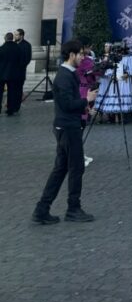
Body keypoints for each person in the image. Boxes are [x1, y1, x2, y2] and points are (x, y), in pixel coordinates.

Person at [32, 40, 98, 224]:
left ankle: (42, 209)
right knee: (76, 167)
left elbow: (70, 102)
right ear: (72, 55)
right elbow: (67, 104)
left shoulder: (69, 74)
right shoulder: (64, 77)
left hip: (68, 125)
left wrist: (84, 108)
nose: (83, 57)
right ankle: (73, 208)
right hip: (68, 127)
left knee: (61, 169)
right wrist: (86, 100)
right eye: (81, 54)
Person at [0, 33, 22, 116]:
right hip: (14, 74)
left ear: (5, 38)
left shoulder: (2, 48)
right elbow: (21, 61)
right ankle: (10, 109)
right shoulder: (18, 48)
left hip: (2, 74)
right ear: (12, 38)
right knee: (12, 92)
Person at [13, 29, 32, 111]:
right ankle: (11, 105)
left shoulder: (27, 45)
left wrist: (19, 66)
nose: (15, 36)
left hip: (20, 71)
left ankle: (17, 106)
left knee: (18, 89)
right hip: (11, 72)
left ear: (21, 36)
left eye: (16, 35)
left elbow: (28, 58)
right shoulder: (13, 44)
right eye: (14, 34)